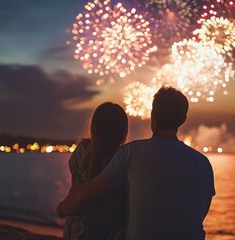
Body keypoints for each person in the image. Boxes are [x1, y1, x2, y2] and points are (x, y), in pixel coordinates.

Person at [58, 86, 215, 240]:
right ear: (183, 120)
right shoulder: (204, 163)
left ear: (153, 114)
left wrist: (61, 208)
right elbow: (200, 213)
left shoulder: (131, 153)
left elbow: (85, 196)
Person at [62, 102, 129, 240]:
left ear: (95, 126)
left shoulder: (80, 151)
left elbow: (75, 188)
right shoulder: (121, 159)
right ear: (122, 131)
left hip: (73, 229)